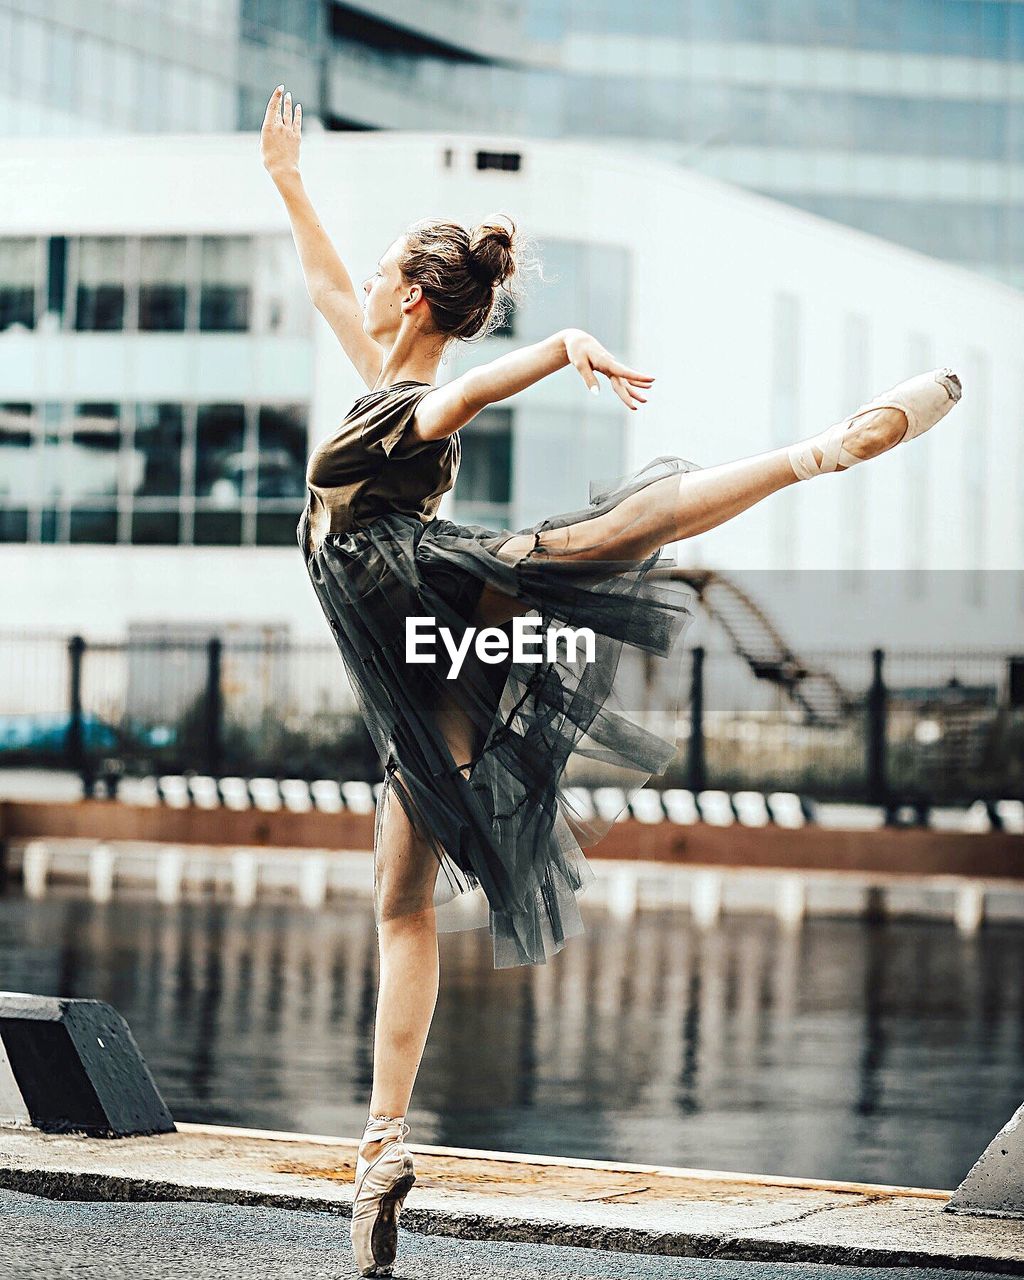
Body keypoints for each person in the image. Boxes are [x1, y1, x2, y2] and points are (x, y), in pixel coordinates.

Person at [261, 85, 963, 1277]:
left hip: (422, 597)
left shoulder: (400, 412)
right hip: (416, 666)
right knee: (399, 898)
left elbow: (457, 392)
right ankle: (379, 1147)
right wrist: (288, 185)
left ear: (417, 297)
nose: (365, 280)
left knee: (581, 548)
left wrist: (554, 349)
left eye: (387, 269)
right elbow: (340, 293)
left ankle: (816, 452)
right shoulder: (377, 380)